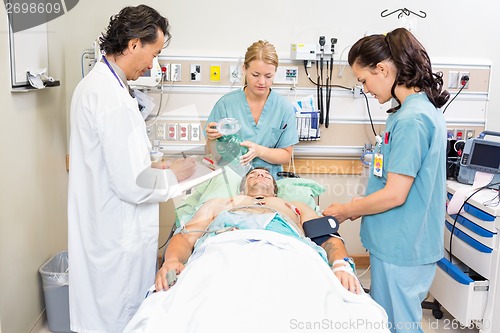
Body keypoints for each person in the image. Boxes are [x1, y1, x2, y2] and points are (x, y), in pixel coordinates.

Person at [67, 5, 195, 333]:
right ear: (134, 44)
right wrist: (174, 177)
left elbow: (120, 163)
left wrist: (154, 166)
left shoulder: (105, 86)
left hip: (108, 224)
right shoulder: (109, 97)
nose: (153, 64)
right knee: (119, 317)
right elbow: (130, 184)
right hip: (117, 233)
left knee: (106, 312)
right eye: (153, 54)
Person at [324, 28, 449, 332]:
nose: (365, 89)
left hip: (402, 246)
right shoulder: (407, 113)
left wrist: (348, 210)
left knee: (399, 326)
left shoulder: (413, 119)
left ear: (382, 69)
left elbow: (395, 194)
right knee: (387, 323)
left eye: (364, 80)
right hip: (396, 242)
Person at [156, 167, 362, 294]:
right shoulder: (220, 202)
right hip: (224, 248)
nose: (261, 175)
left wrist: (340, 264)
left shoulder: (294, 206)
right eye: (254, 174)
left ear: (275, 188)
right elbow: (185, 237)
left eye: (266, 175)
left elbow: (326, 237)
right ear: (243, 187)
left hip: (287, 250)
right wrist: (172, 260)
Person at [205, 40, 298, 179]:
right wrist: (212, 140)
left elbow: (286, 156)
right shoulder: (226, 104)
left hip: (269, 184)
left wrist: (258, 151)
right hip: (232, 183)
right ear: (244, 69)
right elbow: (211, 155)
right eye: (255, 75)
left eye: (268, 76)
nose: (262, 82)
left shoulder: (283, 108)